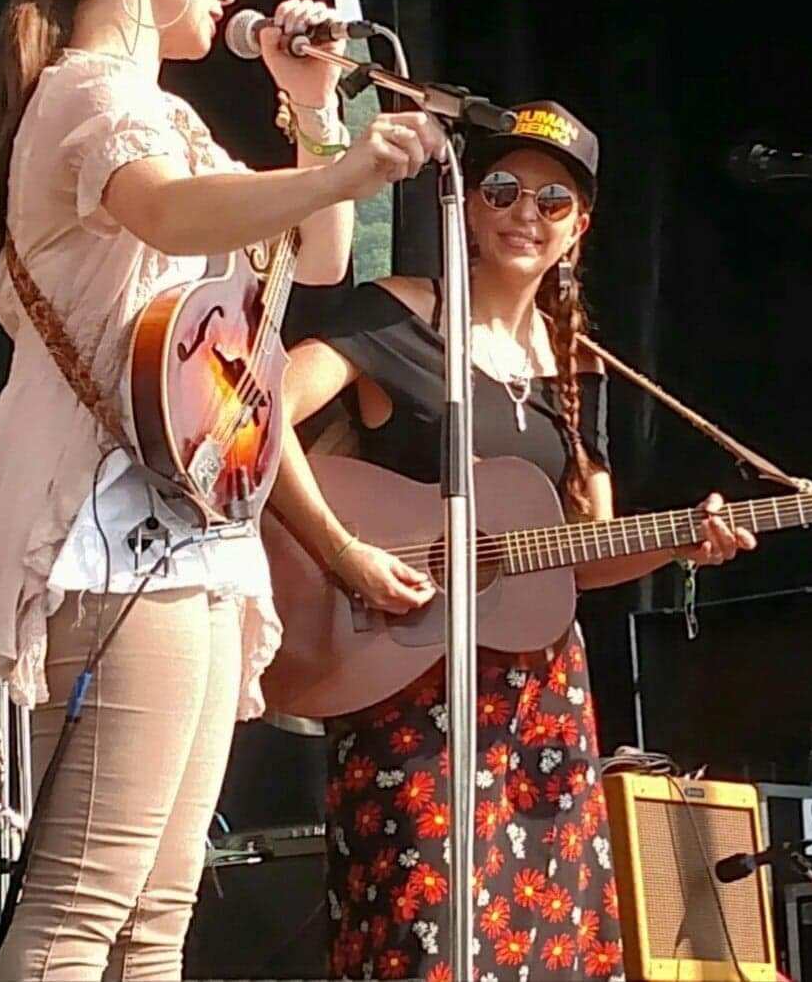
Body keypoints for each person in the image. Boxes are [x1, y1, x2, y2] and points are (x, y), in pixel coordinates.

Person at [0, 0, 444, 982]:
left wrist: (314, 108)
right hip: (108, 538)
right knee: (85, 903)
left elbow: (320, 264)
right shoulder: (90, 96)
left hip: (187, 539)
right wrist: (339, 171)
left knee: (157, 915)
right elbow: (169, 215)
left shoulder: (170, 116)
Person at [270, 100, 757, 981]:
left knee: (549, 937)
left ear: (580, 228)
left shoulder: (577, 371)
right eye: (502, 189)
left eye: (552, 200)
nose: (525, 213)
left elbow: (585, 552)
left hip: (538, 701)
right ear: (467, 205)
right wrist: (343, 551)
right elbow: (253, 413)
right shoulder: (398, 315)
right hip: (406, 684)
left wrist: (681, 541)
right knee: (423, 937)